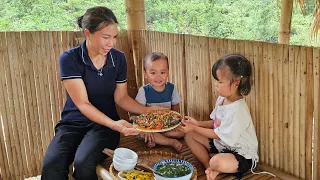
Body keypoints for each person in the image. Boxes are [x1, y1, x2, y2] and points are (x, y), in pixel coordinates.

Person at [41, 6, 163, 180]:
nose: (111, 43)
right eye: (106, 37)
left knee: (83, 163)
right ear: (87, 34)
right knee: (51, 165)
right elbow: (83, 103)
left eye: (114, 37)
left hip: (104, 126)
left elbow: (121, 97)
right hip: (72, 123)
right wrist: (115, 125)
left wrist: (147, 110)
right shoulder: (70, 59)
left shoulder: (118, 58)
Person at [178, 54, 258, 180]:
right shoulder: (222, 99)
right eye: (216, 80)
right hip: (222, 145)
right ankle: (209, 168)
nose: (216, 85)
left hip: (241, 155)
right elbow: (215, 123)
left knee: (217, 161)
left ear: (236, 83)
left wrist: (194, 128)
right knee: (189, 136)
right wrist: (197, 124)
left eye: (220, 82)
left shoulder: (238, 110)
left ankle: (214, 166)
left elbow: (218, 134)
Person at [135, 52, 185, 152]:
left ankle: (160, 138)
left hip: (167, 125)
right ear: (145, 74)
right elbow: (139, 114)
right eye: (153, 73)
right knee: (141, 133)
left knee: (182, 132)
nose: (158, 77)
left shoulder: (172, 88)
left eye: (162, 72)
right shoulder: (144, 90)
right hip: (149, 127)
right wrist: (146, 130)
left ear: (167, 72)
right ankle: (171, 142)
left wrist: (177, 124)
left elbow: (176, 109)